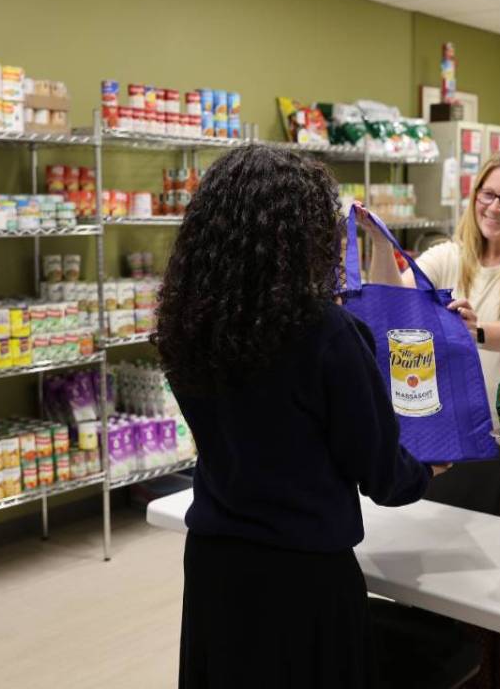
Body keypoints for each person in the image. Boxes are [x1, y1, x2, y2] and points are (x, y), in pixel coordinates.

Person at [157, 143, 442, 689]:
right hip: (302, 578)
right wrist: (426, 471)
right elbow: (382, 474)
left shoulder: (186, 324)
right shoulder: (326, 334)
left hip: (215, 565)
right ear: (304, 234)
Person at [364, 150, 500, 689]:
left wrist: (473, 330)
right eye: (487, 193)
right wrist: (376, 241)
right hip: (454, 448)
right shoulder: (449, 257)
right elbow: (391, 299)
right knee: (460, 591)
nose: (495, 207)